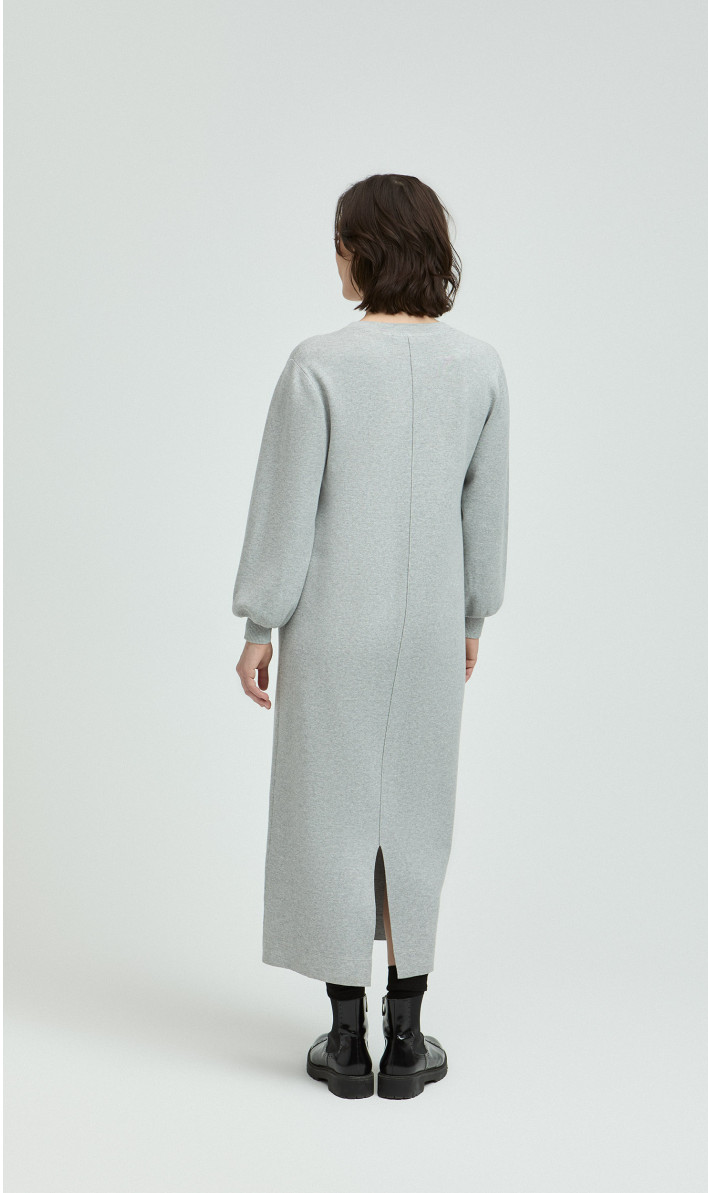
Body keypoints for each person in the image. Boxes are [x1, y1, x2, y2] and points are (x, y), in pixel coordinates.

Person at [232, 173, 510, 1100]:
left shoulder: (317, 364)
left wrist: (260, 619)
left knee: (329, 816)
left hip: (333, 626)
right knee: (417, 817)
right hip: (429, 629)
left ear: (365, 250)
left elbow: (286, 505)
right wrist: (471, 614)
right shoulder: (480, 367)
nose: (337, 260)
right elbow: (485, 515)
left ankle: (346, 1040)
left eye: (340, 243)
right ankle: (409, 1037)